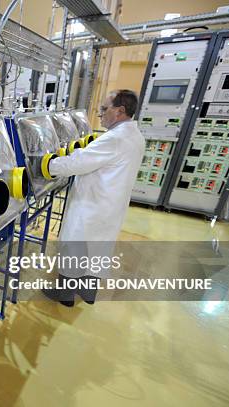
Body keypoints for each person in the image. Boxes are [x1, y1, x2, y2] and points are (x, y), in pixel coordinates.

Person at [46, 89, 145, 306]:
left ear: (120, 111)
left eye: (104, 109)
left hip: (92, 205)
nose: (100, 114)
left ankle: (65, 296)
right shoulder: (135, 135)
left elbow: (77, 163)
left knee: (75, 246)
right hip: (111, 205)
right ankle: (88, 293)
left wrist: (47, 165)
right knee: (98, 250)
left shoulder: (115, 139)